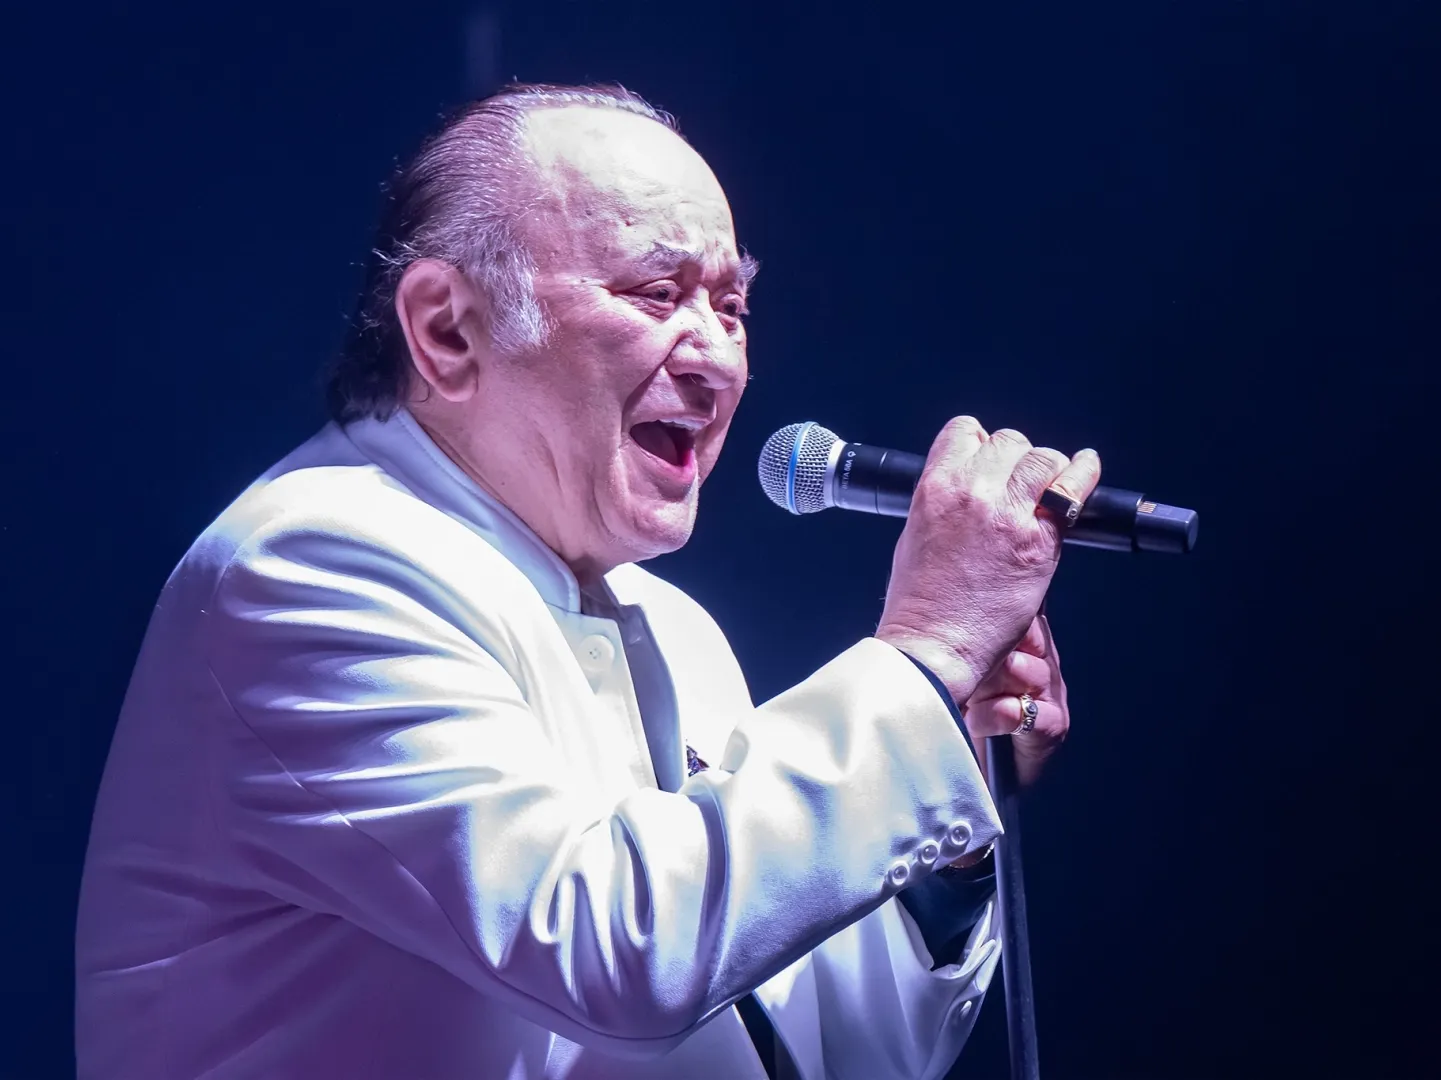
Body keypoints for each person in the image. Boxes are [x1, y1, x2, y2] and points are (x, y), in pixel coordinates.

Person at [75, 83, 1101, 1080]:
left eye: (732, 306)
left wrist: (942, 809)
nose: (717, 359)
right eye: (658, 294)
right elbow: (621, 950)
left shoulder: (676, 627)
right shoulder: (310, 566)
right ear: (446, 329)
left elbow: (838, 1052)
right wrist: (922, 652)